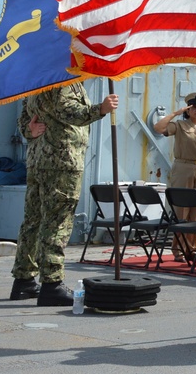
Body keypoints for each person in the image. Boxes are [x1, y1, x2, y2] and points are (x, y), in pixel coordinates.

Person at [9, 83, 118, 305]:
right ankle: (51, 284)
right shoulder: (63, 81)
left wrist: (28, 131)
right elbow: (66, 110)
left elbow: (24, 117)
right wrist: (101, 109)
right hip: (62, 161)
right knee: (57, 222)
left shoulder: (38, 83)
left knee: (33, 221)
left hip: (39, 160)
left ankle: (24, 280)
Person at [154, 91, 196, 262]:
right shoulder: (180, 126)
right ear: (188, 110)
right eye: (193, 108)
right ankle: (178, 249)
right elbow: (158, 128)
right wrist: (175, 114)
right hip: (184, 166)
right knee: (181, 210)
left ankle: (192, 249)